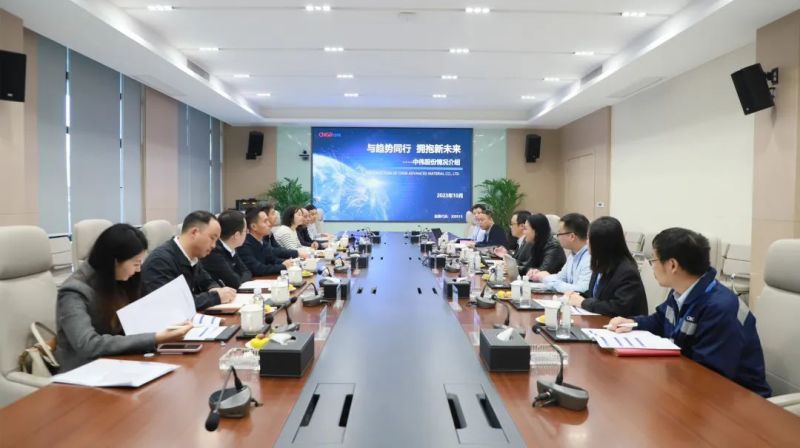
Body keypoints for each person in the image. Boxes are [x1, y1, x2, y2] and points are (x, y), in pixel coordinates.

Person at [607, 228, 771, 397]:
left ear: (672, 265)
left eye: (653, 260)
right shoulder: (680, 291)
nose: (652, 266)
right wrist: (633, 323)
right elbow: (661, 320)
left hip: (739, 400)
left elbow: (709, 375)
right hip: (694, 387)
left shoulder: (719, 308)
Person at [55, 224, 193, 372]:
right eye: (136, 263)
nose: (138, 269)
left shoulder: (117, 279)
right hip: (84, 371)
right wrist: (156, 338)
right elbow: (88, 345)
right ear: (115, 261)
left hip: (118, 361)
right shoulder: (73, 291)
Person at [142, 211, 236, 310]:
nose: (214, 246)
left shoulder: (193, 257)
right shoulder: (160, 261)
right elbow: (173, 304)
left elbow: (207, 282)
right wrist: (216, 297)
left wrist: (214, 288)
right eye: (212, 238)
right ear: (194, 232)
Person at [566, 216, 647, 317]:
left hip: (621, 324)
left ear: (601, 244)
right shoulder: (601, 262)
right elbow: (595, 294)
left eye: (589, 238)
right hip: (600, 320)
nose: (587, 242)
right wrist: (576, 295)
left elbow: (618, 308)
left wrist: (583, 302)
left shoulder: (627, 272)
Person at [529, 213, 592, 293]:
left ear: (572, 236)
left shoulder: (589, 258)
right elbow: (561, 278)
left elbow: (581, 290)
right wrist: (540, 275)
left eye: (559, 234)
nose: (557, 237)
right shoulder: (573, 255)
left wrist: (547, 278)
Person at [200, 210, 253, 289]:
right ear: (237, 235)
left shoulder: (231, 247)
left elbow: (247, 272)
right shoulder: (214, 252)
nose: (248, 233)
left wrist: (239, 279)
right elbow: (234, 282)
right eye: (245, 231)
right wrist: (240, 279)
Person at [238, 207, 296, 276]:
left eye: (268, 220)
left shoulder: (262, 242)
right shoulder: (244, 245)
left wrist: (289, 262)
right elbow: (258, 269)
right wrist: (283, 266)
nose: (269, 224)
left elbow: (273, 260)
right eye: (265, 221)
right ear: (254, 226)